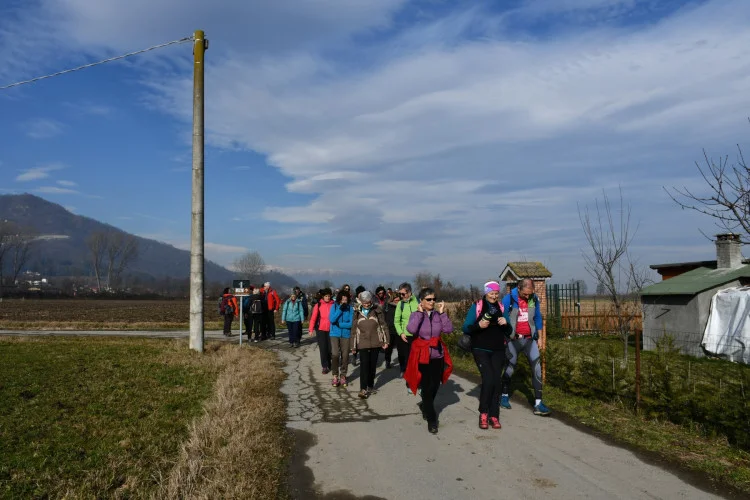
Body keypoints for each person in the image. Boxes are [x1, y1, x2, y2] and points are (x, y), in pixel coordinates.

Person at [404, 287, 454, 434]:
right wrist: (420, 314)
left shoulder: (438, 315)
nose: (432, 302)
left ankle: (425, 405)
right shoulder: (416, 315)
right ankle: (432, 420)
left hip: (437, 355)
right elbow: (411, 330)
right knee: (426, 387)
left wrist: (443, 313)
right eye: (429, 299)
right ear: (421, 301)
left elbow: (448, 330)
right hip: (422, 355)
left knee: (435, 386)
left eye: (434, 299)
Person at [462, 281, 511, 430]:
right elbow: (466, 327)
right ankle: (483, 413)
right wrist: (479, 325)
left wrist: (506, 323)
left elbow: (509, 331)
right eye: (491, 293)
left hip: (498, 350)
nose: (494, 296)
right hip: (480, 348)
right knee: (488, 379)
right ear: (486, 292)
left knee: (496, 381)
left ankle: (494, 415)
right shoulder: (477, 306)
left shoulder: (501, 307)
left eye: (496, 293)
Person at [501, 278, 551, 416]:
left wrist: (540, 338)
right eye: (525, 294)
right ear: (519, 288)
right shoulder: (508, 299)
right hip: (513, 340)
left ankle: (538, 404)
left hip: (529, 340)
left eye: (530, 293)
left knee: (537, 368)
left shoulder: (533, 299)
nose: (528, 296)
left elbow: (538, 318)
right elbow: (502, 319)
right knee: (510, 367)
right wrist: (504, 338)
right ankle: (504, 395)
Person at [351, 291, 389, 398]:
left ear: (371, 301)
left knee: (372, 366)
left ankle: (370, 386)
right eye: (364, 303)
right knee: (364, 365)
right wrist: (353, 346)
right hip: (362, 342)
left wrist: (386, 341)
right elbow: (354, 330)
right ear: (361, 302)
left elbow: (383, 326)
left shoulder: (377, 310)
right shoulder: (357, 312)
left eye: (368, 302)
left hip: (375, 342)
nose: (367, 304)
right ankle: (363, 389)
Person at [394, 282, 419, 378]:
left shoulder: (417, 302)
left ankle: (411, 375)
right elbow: (396, 321)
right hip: (404, 335)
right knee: (403, 355)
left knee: (413, 357)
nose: (401, 296)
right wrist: (401, 333)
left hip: (416, 335)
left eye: (403, 294)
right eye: (400, 294)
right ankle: (403, 368)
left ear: (409, 292)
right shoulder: (400, 304)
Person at [329, 289, 353, 387]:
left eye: (346, 300)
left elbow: (351, 323)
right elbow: (332, 320)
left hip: (346, 334)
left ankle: (343, 375)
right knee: (335, 354)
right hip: (334, 334)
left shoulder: (350, 309)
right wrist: (340, 309)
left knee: (345, 355)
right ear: (339, 299)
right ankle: (335, 376)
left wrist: (340, 325)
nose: (344, 301)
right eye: (343, 299)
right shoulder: (334, 306)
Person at [309, 287, 334, 374]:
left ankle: (329, 363)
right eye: (326, 296)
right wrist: (311, 329)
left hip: (331, 329)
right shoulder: (318, 305)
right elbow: (313, 318)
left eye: (329, 296)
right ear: (323, 296)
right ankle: (324, 366)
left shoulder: (334, 305)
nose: (327, 297)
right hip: (321, 330)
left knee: (330, 349)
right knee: (323, 348)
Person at [376, 285, 398, 369]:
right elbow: (383, 315)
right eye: (395, 299)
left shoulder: (401, 306)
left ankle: (403, 364)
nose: (397, 300)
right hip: (390, 328)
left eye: (398, 299)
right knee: (389, 347)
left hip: (399, 329)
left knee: (400, 348)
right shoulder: (387, 305)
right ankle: (387, 361)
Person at [351, 285, 366, 367]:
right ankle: (354, 356)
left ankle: (363, 358)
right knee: (355, 341)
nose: (361, 295)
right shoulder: (354, 302)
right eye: (360, 293)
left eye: (362, 293)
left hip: (364, 323)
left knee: (363, 342)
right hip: (356, 324)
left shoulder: (367, 301)